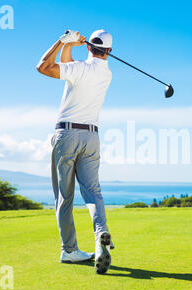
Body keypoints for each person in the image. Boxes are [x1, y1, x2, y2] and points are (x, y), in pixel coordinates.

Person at [36, 29, 113, 274]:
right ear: (109, 51)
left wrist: (62, 40)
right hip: (92, 137)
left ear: (89, 46)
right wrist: (72, 45)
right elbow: (68, 67)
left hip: (67, 135)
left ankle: (69, 250)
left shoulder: (80, 68)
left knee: (64, 197)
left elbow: (43, 67)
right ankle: (101, 235)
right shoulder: (106, 73)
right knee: (93, 192)